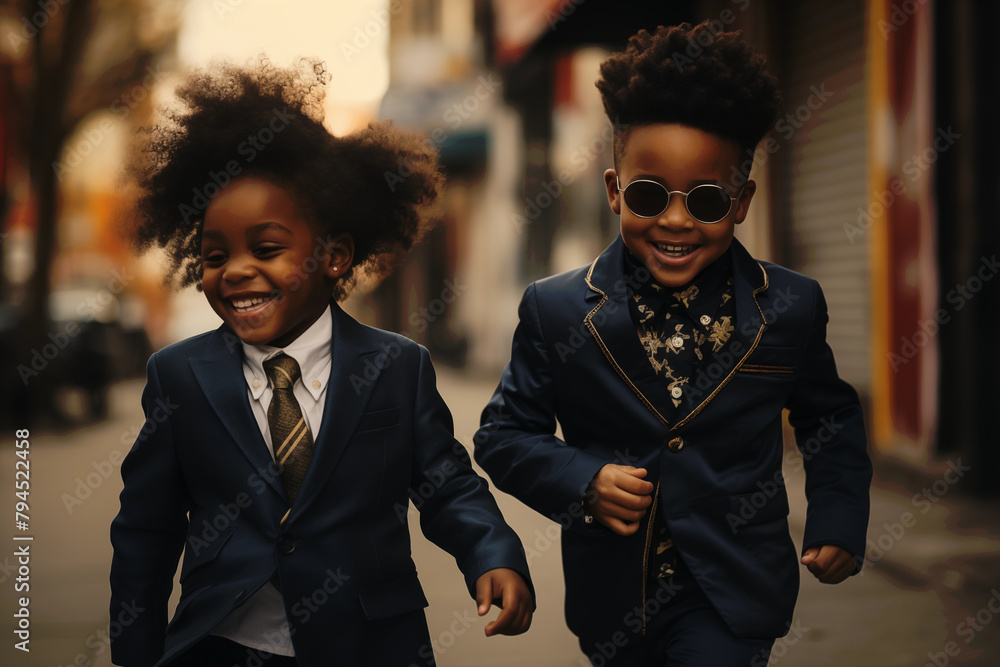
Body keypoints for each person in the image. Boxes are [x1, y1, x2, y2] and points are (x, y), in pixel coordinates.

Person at [109, 57, 533, 667]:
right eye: (214, 254)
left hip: (371, 642)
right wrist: (134, 653)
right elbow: (147, 533)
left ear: (334, 255)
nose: (236, 271)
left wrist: (492, 553)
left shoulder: (396, 366)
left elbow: (447, 485)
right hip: (225, 643)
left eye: (268, 248)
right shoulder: (179, 376)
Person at [474, 22, 872, 666]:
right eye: (650, 195)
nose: (677, 219)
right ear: (614, 192)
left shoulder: (792, 306)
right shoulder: (555, 310)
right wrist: (583, 479)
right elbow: (503, 435)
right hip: (614, 599)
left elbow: (831, 416)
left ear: (741, 202)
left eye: (707, 199)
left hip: (735, 592)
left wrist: (838, 520)